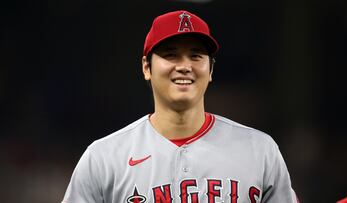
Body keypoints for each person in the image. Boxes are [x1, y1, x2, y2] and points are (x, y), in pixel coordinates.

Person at [62, 10, 298, 203]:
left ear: (211, 69)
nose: (185, 66)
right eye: (171, 55)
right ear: (147, 67)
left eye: (196, 56)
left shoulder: (260, 151)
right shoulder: (104, 158)